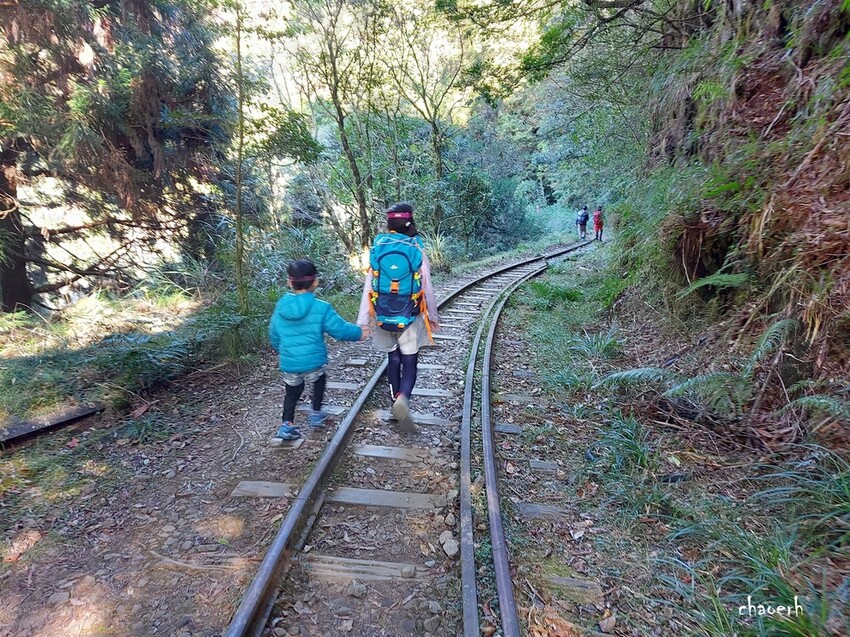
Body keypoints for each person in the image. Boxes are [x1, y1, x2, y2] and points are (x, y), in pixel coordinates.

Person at [357, 203, 440, 432]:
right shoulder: (416, 248)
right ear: (410, 223)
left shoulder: (378, 247)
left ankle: (395, 400)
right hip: (410, 315)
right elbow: (427, 287)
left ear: (389, 224)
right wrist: (432, 315)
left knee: (393, 359)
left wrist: (363, 321)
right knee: (410, 362)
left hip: (383, 314)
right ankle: (403, 399)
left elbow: (369, 287)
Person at [269, 259, 366, 440]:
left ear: (289, 282)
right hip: (312, 361)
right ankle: (316, 413)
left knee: (292, 391)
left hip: (289, 361)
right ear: (315, 282)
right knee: (319, 380)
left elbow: (274, 334)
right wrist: (359, 333)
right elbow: (339, 329)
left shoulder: (281, 306)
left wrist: (282, 349)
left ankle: (286, 424)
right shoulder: (321, 307)